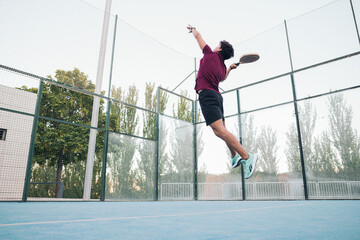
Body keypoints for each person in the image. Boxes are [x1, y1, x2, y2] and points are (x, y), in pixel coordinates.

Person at [187, 24, 257, 179]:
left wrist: (193, 29)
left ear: (218, 49)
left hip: (207, 96)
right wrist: (230, 68)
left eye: (218, 45)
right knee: (221, 131)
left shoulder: (208, 53)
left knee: (219, 131)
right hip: (217, 97)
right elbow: (222, 78)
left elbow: (198, 36)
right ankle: (234, 157)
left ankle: (246, 157)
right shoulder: (221, 67)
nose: (215, 46)